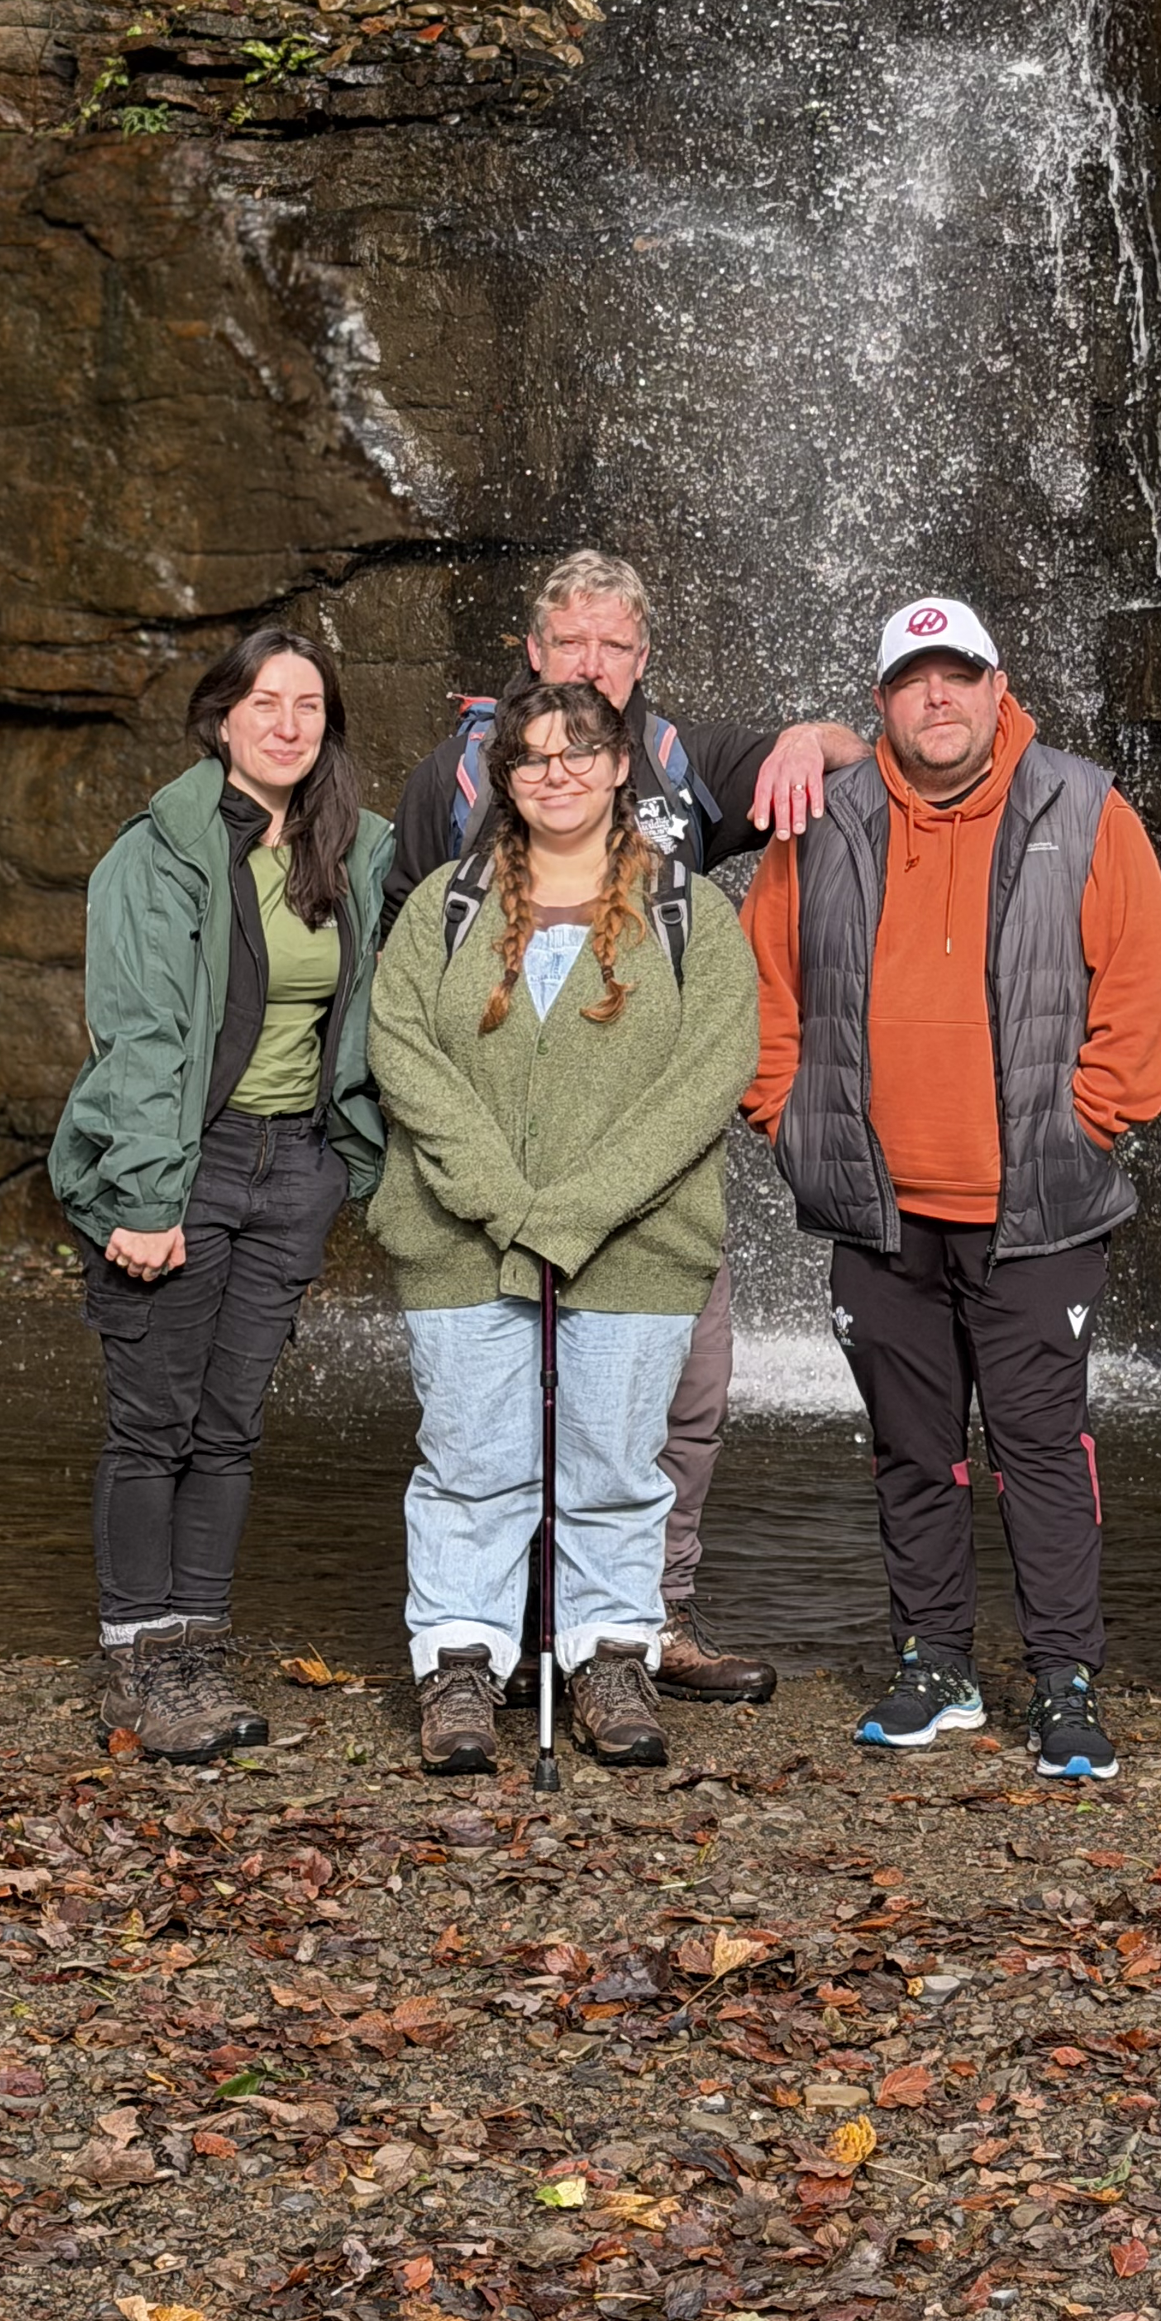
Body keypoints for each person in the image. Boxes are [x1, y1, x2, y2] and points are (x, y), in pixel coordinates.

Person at [385, 549, 864, 1704]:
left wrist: (813, 738)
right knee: (487, 1416)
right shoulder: (454, 780)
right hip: (483, 1166)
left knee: (672, 1405)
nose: (589, 664)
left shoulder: (680, 758)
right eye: (568, 645)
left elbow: (868, 754)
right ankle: (492, 1641)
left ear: (640, 662)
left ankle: (644, 1625)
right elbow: (395, 967)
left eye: (612, 646)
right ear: (532, 654)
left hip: (649, 1176)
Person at [743, 596, 1161, 1782]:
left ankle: (1063, 1676)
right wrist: (787, 1119)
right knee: (910, 1448)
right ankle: (933, 1661)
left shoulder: (1082, 807)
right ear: (879, 701)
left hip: (1036, 1207)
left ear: (998, 687)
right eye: (910, 680)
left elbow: (1143, 988)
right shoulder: (823, 821)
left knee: (1042, 1448)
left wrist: (1092, 1123)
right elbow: (761, 988)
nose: (935, 698)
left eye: (957, 675)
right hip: (880, 1208)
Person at [369, 678, 760, 1778]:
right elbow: (400, 1050)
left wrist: (576, 1211)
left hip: (637, 1247)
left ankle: (607, 1657)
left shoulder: (692, 914)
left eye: (579, 752)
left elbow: (708, 1077)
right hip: (460, 1238)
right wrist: (506, 1201)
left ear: (622, 764)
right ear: (506, 780)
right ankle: (460, 1664)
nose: (557, 773)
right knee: (469, 1461)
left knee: (614, 1464)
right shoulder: (443, 906)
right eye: (532, 757)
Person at [51, 629, 393, 1764]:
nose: (288, 724)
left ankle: (196, 1645)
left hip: (294, 1168)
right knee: (154, 1426)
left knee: (230, 1428)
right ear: (223, 719)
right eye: (266, 703)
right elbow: (142, 1037)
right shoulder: (160, 854)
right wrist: (146, 1195)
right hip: (182, 1166)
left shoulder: (361, 851)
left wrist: (349, 1165)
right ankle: (135, 1664)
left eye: (308, 705)